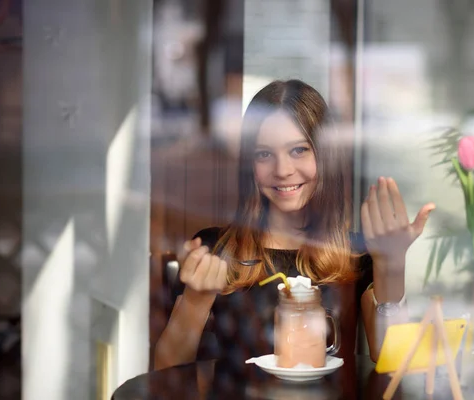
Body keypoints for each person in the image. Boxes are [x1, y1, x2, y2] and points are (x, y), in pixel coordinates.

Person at [153, 79, 435, 374]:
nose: (283, 170)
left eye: (299, 150)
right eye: (264, 154)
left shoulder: (355, 256)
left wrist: (391, 266)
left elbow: (392, 360)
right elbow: (166, 371)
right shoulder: (217, 251)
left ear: (325, 156)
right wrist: (196, 301)